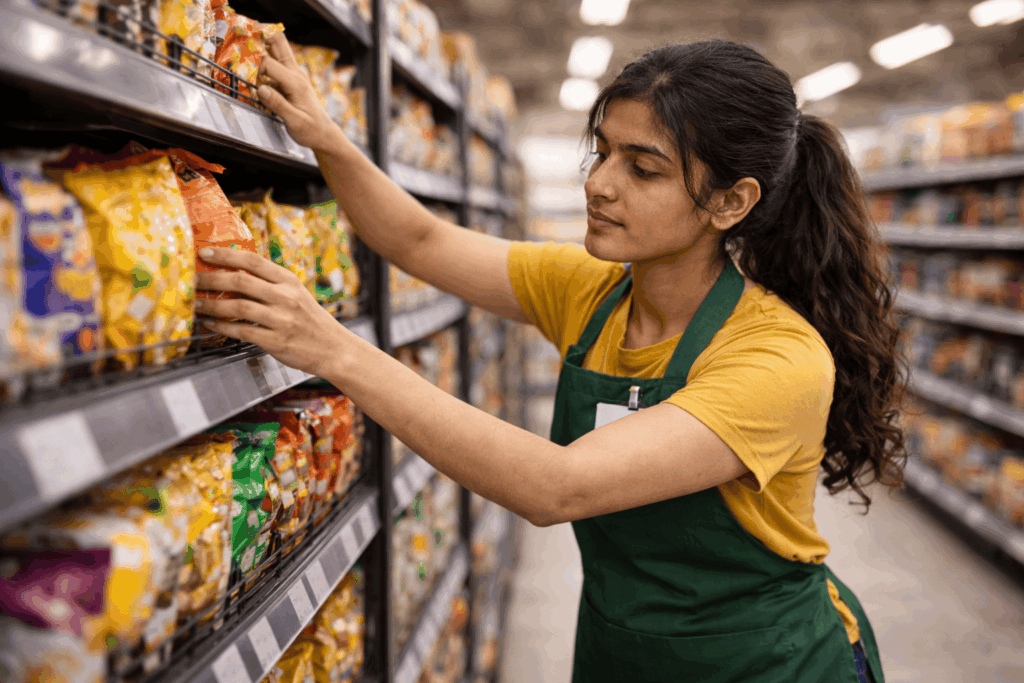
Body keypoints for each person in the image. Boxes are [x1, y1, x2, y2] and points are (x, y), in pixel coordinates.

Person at [196, 34, 906, 683]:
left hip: (765, 663)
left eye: (644, 168)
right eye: (602, 150)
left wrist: (332, 348)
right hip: (620, 652)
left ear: (729, 201)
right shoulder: (593, 293)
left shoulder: (776, 357)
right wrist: (327, 137)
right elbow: (418, 242)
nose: (599, 182)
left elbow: (556, 486)